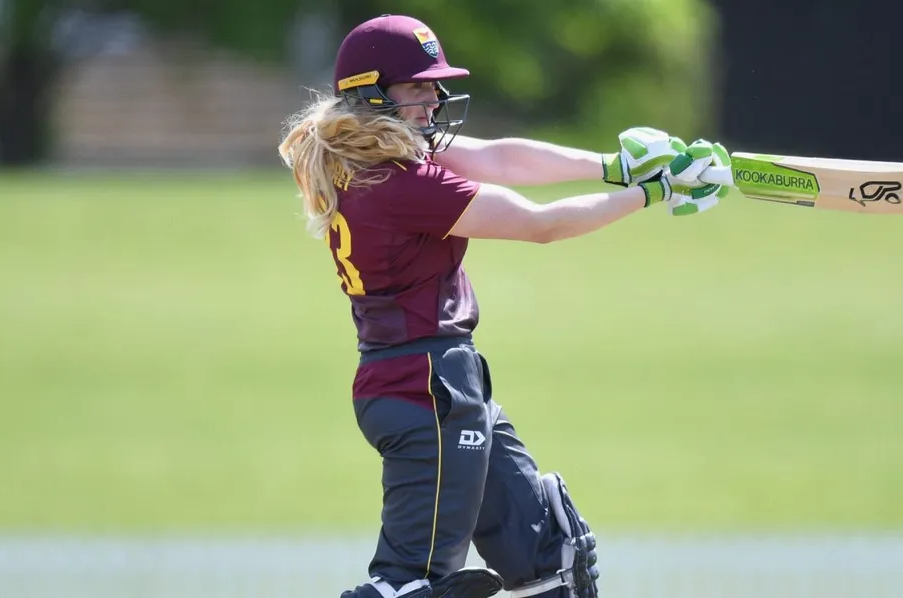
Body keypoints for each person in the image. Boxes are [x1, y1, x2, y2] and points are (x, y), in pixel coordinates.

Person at [277, 13, 732, 598]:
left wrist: (615, 166)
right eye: (418, 87)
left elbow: (500, 158)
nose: (435, 98)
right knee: (408, 588)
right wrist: (651, 192)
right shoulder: (402, 182)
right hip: (428, 393)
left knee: (549, 559)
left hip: (442, 387)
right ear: (373, 94)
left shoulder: (370, 156)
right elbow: (541, 225)